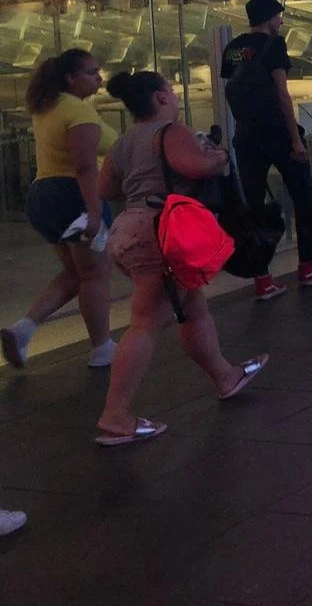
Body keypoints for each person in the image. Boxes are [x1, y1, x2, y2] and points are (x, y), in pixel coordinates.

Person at [95, 72, 267, 445]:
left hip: (131, 228)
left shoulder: (123, 142)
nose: (174, 98)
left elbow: (106, 188)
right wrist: (217, 156)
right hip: (162, 232)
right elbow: (195, 167)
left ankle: (225, 375)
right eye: (170, 92)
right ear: (159, 97)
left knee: (192, 308)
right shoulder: (171, 131)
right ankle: (116, 416)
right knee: (145, 321)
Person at [1, 50, 115, 370]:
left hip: (44, 196)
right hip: (73, 197)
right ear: (70, 78)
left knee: (76, 273)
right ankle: (102, 348)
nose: (99, 78)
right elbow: (84, 167)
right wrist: (94, 213)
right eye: (92, 73)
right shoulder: (77, 112)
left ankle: (22, 329)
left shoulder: (48, 107)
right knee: (95, 274)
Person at [221, 0, 312, 300]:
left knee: (252, 207)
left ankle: (262, 279)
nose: (281, 21)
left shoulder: (232, 48)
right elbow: (281, 93)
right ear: (269, 17)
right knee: (303, 198)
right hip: (278, 133)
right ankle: (308, 267)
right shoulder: (274, 46)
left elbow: (231, 90)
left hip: (246, 137)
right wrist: (295, 140)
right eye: (279, 16)